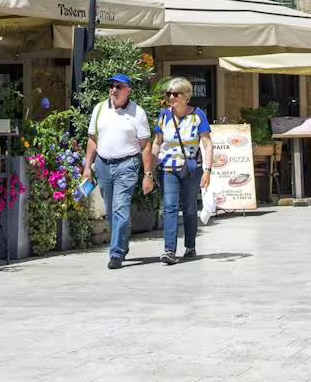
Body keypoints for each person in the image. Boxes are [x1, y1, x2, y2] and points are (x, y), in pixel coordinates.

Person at [82, 74, 155, 269]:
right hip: (103, 164)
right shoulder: (99, 109)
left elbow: (145, 145)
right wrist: (87, 167)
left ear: (128, 90)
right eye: (111, 86)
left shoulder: (137, 113)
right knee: (110, 210)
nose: (113, 90)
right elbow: (92, 140)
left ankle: (115, 253)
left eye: (118, 87)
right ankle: (122, 244)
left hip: (127, 165)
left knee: (120, 208)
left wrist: (148, 175)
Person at [152, 77, 213, 265]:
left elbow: (207, 144)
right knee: (169, 207)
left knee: (189, 207)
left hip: (190, 169)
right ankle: (169, 250)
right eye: (168, 93)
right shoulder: (164, 116)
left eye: (175, 94)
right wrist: (151, 167)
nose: (171, 97)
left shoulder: (197, 115)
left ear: (186, 96)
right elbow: (157, 142)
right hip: (167, 168)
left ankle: (190, 245)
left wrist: (207, 170)